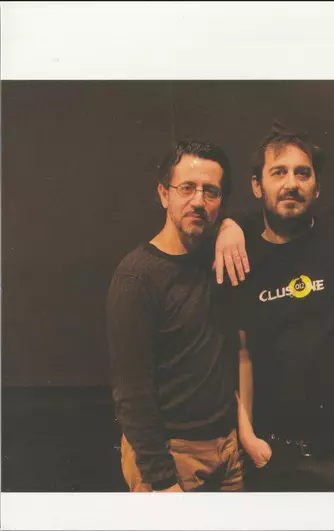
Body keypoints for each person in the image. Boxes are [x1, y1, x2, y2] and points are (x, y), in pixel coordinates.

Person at [223, 126, 334, 491]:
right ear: (257, 186)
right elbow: (240, 355)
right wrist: (249, 439)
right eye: (278, 172)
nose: (291, 183)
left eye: (302, 173)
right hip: (274, 457)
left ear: (317, 187)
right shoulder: (240, 259)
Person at [106, 140, 243, 492]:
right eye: (187, 188)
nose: (198, 201)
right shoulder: (137, 276)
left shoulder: (219, 257)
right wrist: (163, 481)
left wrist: (231, 226)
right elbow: (131, 393)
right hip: (170, 455)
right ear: (163, 194)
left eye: (211, 191)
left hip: (228, 450)